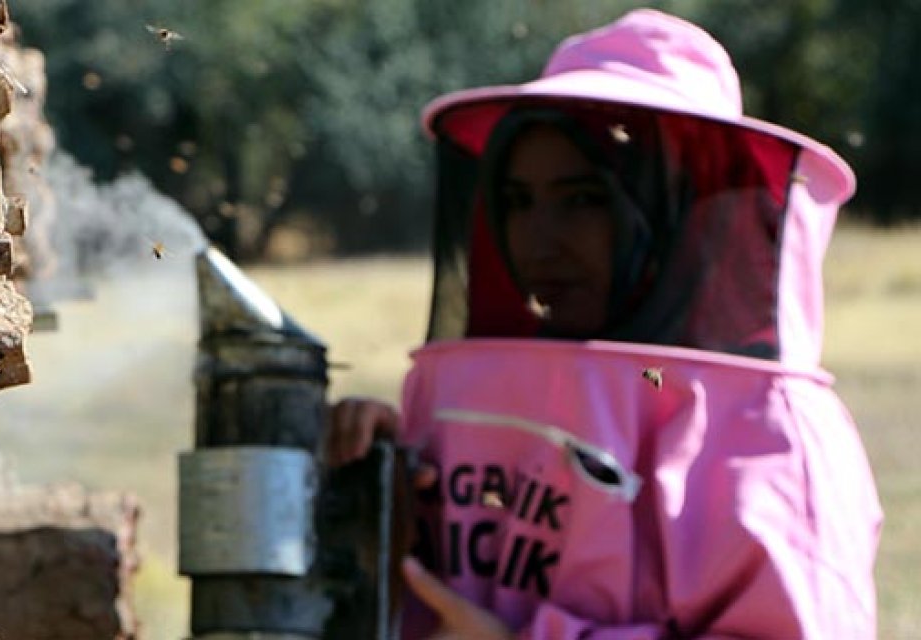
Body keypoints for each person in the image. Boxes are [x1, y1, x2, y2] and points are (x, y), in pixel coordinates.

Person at [325, 9, 882, 639]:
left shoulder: (768, 429)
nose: (539, 241)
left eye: (583, 199)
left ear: (674, 209)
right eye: (517, 201)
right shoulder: (485, 390)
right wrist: (383, 473)